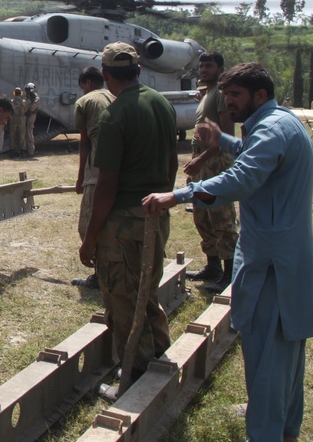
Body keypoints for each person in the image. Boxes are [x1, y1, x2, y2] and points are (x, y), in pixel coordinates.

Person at [143, 63, 313, 442]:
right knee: (286, 358)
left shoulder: (272, 130)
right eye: (226, 97)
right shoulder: (279, 123)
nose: (228, 105)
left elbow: (243, 177)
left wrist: (178, 195)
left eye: (236, 97)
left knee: (268, 360)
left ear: (260, 95)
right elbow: (251, 152)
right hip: (284, 258)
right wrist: (223, 142)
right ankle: (285, 429)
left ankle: (265, 435)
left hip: (273, 266)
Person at [78, 42, 177, 385]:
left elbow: (106, 185)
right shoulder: (162, 104)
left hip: (122, 221)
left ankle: (134, 373)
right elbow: (172, 161)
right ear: (138, 71)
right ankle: (159, 353)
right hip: (155, 213)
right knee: (146, 288)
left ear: (105, 75)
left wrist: (90, 238)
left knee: (121, 297)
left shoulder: (113, 115)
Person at [183, 51, 238, 292]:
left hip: (215, 161)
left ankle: (230, 272)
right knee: (201, 214)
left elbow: (225, 136)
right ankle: (213, 265)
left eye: (209, 65)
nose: (204, 69)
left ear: (219, 68)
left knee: (221, 216)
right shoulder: (209, 94)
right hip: (202, 160)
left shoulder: (221, 95)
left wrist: (202, 159)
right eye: (202, 65)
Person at [71, 66, 114, 290]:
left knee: (89, 221)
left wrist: (81, 178)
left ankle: (100, 275)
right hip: (120, 162)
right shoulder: (115, 96)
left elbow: (85, 142)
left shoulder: (86, 101)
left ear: (87, 83)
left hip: (99, 162)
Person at [8, 87, 27, 158]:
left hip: (13, 118)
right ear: (20, 93)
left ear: (14, 93)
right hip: (22, 118)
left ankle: (12, 151)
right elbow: (26, 110)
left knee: (13, 135)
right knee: (22, 135)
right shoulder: (24, 102)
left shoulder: (12, 101)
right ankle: (23, 151)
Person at [23, 82, 40, 158]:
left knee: (29, 133)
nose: (27, 92)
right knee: (26, 133)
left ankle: (31, 151)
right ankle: (27, 150)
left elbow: (31, 108)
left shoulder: (36, 98)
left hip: (31, 115)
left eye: (28, 90)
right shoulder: (28, 96)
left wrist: (27, 102)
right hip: (27, 115)